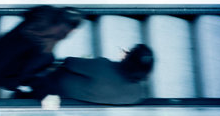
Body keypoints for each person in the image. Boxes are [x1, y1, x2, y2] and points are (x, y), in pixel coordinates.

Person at [0, 6, 83, 95]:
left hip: (4, 45)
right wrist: (15, 84)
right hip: (10, 65)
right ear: (69, 30)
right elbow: (27, 70)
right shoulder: (46, 49)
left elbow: (29, 13)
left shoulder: (45, 12)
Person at [25, 44, 154, 106]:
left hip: (58, 89)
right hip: (76, 104)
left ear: (128, 58)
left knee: (48, 61)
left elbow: (70, 62)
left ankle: (24, 92)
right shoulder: (137, 94)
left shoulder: (103, 66)